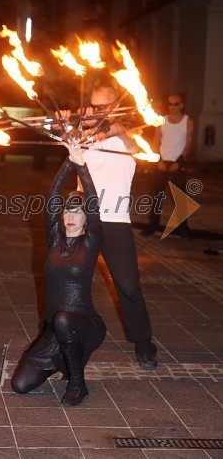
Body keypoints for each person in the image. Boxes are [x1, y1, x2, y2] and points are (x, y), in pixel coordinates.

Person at [56, 85, 157, 370]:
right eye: (91, 106)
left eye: (101, 108)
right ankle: (63, 339)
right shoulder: (84, 138)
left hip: (115, 221)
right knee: (69, 282)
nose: (92, 111)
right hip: (83, 220)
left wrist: (110, 128)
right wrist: (64, 126)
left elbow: (129, 139)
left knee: (128, 285)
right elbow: (68, 147)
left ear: (115, 109)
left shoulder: (129, 138)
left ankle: (144, 341)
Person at [11, 141, 106, 406]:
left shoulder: (91, 242)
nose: (71, 216)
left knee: (64, 319)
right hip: (55, 331)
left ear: (87, 218)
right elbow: (52, 194)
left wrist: (82, 166)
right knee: (19, 385)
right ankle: (62, 358)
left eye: (78, 211)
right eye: (67, 210)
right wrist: (69, 159)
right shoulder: (55, 240)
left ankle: (78, 384)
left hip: (85, 324)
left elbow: (94, 202)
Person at [141, 93, 194, 237]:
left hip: (178, 162)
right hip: (163, 162)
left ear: (181, 105)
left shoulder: (187, 121)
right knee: (157, 195)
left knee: (180, 197)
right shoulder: (162, 120)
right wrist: (159, 161)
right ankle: (153, 225)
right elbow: (156, 141)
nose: (172, 107)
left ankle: (184, 229)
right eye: (170, 104)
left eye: (175, 104)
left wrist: (179, 162)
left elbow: (189, 143)